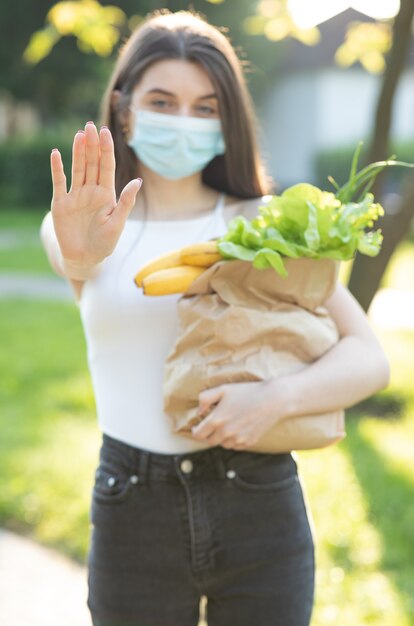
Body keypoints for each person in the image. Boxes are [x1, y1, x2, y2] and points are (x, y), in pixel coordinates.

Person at [40, 9, 390, 626]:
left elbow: (369, 358)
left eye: (205, 107)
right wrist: (81, 255)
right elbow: (75, 261)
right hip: (132, 506)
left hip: (257, 499)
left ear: (228, 120)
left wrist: (278, 399)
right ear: (124, 109)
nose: (184, 121)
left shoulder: (265, 224)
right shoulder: (83, 228)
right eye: (163, 101)